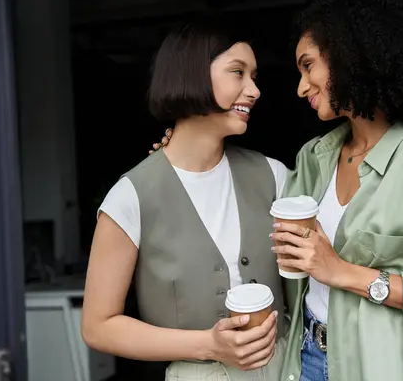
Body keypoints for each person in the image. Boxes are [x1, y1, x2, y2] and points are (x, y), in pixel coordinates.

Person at [154, 0, 403, 381]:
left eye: (308, 66)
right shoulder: (313, 159)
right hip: (307, 361)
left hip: (386, 367)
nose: (301, 87)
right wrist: (179, 150)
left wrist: (341, 272)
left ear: (352, 55)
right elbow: (239, 195)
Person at [81, 21, 289, 381]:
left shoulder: (274, 175)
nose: (253, 90)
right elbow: (98, 326)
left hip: (288, 369)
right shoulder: (131, 196)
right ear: (190, 75)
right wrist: (208, 344)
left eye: (254, 76)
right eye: (237, 72)